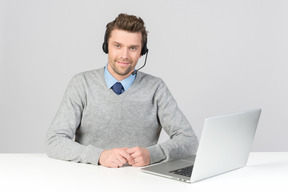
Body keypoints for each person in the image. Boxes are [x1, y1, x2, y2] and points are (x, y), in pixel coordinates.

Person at [46, 13, 198, 168]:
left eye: (133, 48)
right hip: (89, 178)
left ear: (142, 52)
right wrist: (100, 156)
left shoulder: (156, 88)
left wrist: (153, 154)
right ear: (106, 47)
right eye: (117, 46)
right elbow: (54, 141)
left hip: (140, 181)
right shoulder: (82, 83)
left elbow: (189, 141)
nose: (124, 56)